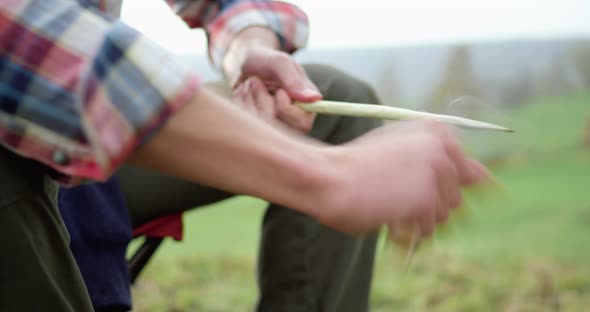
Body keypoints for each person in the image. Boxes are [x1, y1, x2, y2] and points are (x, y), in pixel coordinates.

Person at [0, 1, 488, 312]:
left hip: (87, 132)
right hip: (20, 136)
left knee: (332, 100)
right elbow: (17, 39)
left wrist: (245, 48)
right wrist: (322, 174)